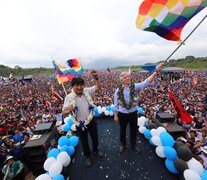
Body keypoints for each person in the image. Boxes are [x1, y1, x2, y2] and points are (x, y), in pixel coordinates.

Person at [114, 63, 165, 154]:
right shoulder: (118, 90)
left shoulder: (135, 86)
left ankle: (133, 145)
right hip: (122, 114)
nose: (128, 78)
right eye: (125, 77)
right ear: (122, 80)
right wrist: (115, 115)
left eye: (128, 76)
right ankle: (123, 144)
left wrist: (155, 72)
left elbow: (145, 82)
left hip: (133, 113)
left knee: (133, 130)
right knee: (122, 130)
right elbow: (116, 103)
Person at [62, 70, 103, 167]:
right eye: (77, 85)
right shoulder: (68, 97)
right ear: (72, 86)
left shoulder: (87, 91)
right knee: (84, 141)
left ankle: (96, 150)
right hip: (79, 123)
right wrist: (69, 110)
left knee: (95, 137)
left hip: (91, 119)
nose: (79, 87)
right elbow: (63, 111)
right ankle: (88, 156)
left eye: (81, 85)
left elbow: (98, 87)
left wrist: (96, 78)